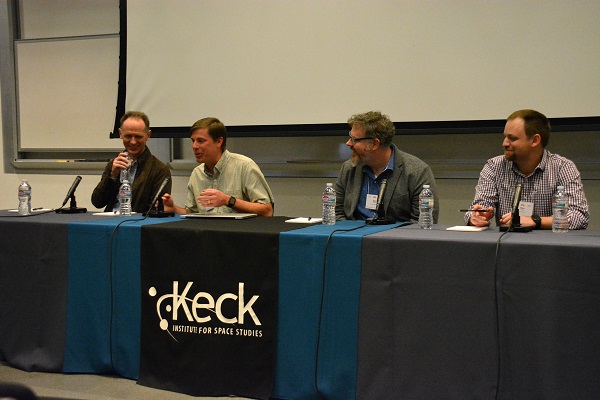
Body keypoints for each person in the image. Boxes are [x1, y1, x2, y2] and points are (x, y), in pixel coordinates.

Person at [466, 109, 589, 230]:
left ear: (535, 140)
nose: (504, 143)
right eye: (505, 137)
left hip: (549, 247)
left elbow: (579, 216)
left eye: (512, 138)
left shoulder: (562, 168)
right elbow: (479, 208)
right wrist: (478, 216)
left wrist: (535, 220)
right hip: (506, 245)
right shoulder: (494, 166)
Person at [335, 110, 439, 223]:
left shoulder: (417, 171)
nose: (348, 143)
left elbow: (423, 220)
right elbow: (337, 212)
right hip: (353, 236)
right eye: (350, 137)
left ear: (375, 144)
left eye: (355, 140)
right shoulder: (349, 168)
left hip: (395, 238)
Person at [162, 117, 274, 217]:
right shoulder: (197, 173)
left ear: (219, 141)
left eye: (201, 141)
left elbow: (267, 211)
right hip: (207, 236)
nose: (194, 146)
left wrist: (228, 200)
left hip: (240, 235)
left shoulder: (244, 166)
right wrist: (174, 209)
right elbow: (192, 213)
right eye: (193, 141)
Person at [91, 111, 171, 213]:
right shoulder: (114, 164)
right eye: (128, 136)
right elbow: (97, 202)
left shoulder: (159, 169)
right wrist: (112, 176)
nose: (133, 142)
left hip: (137, 224)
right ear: (120, 134)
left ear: (148, 135)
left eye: (138, 137)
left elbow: (158, 210)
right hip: (109, 221)